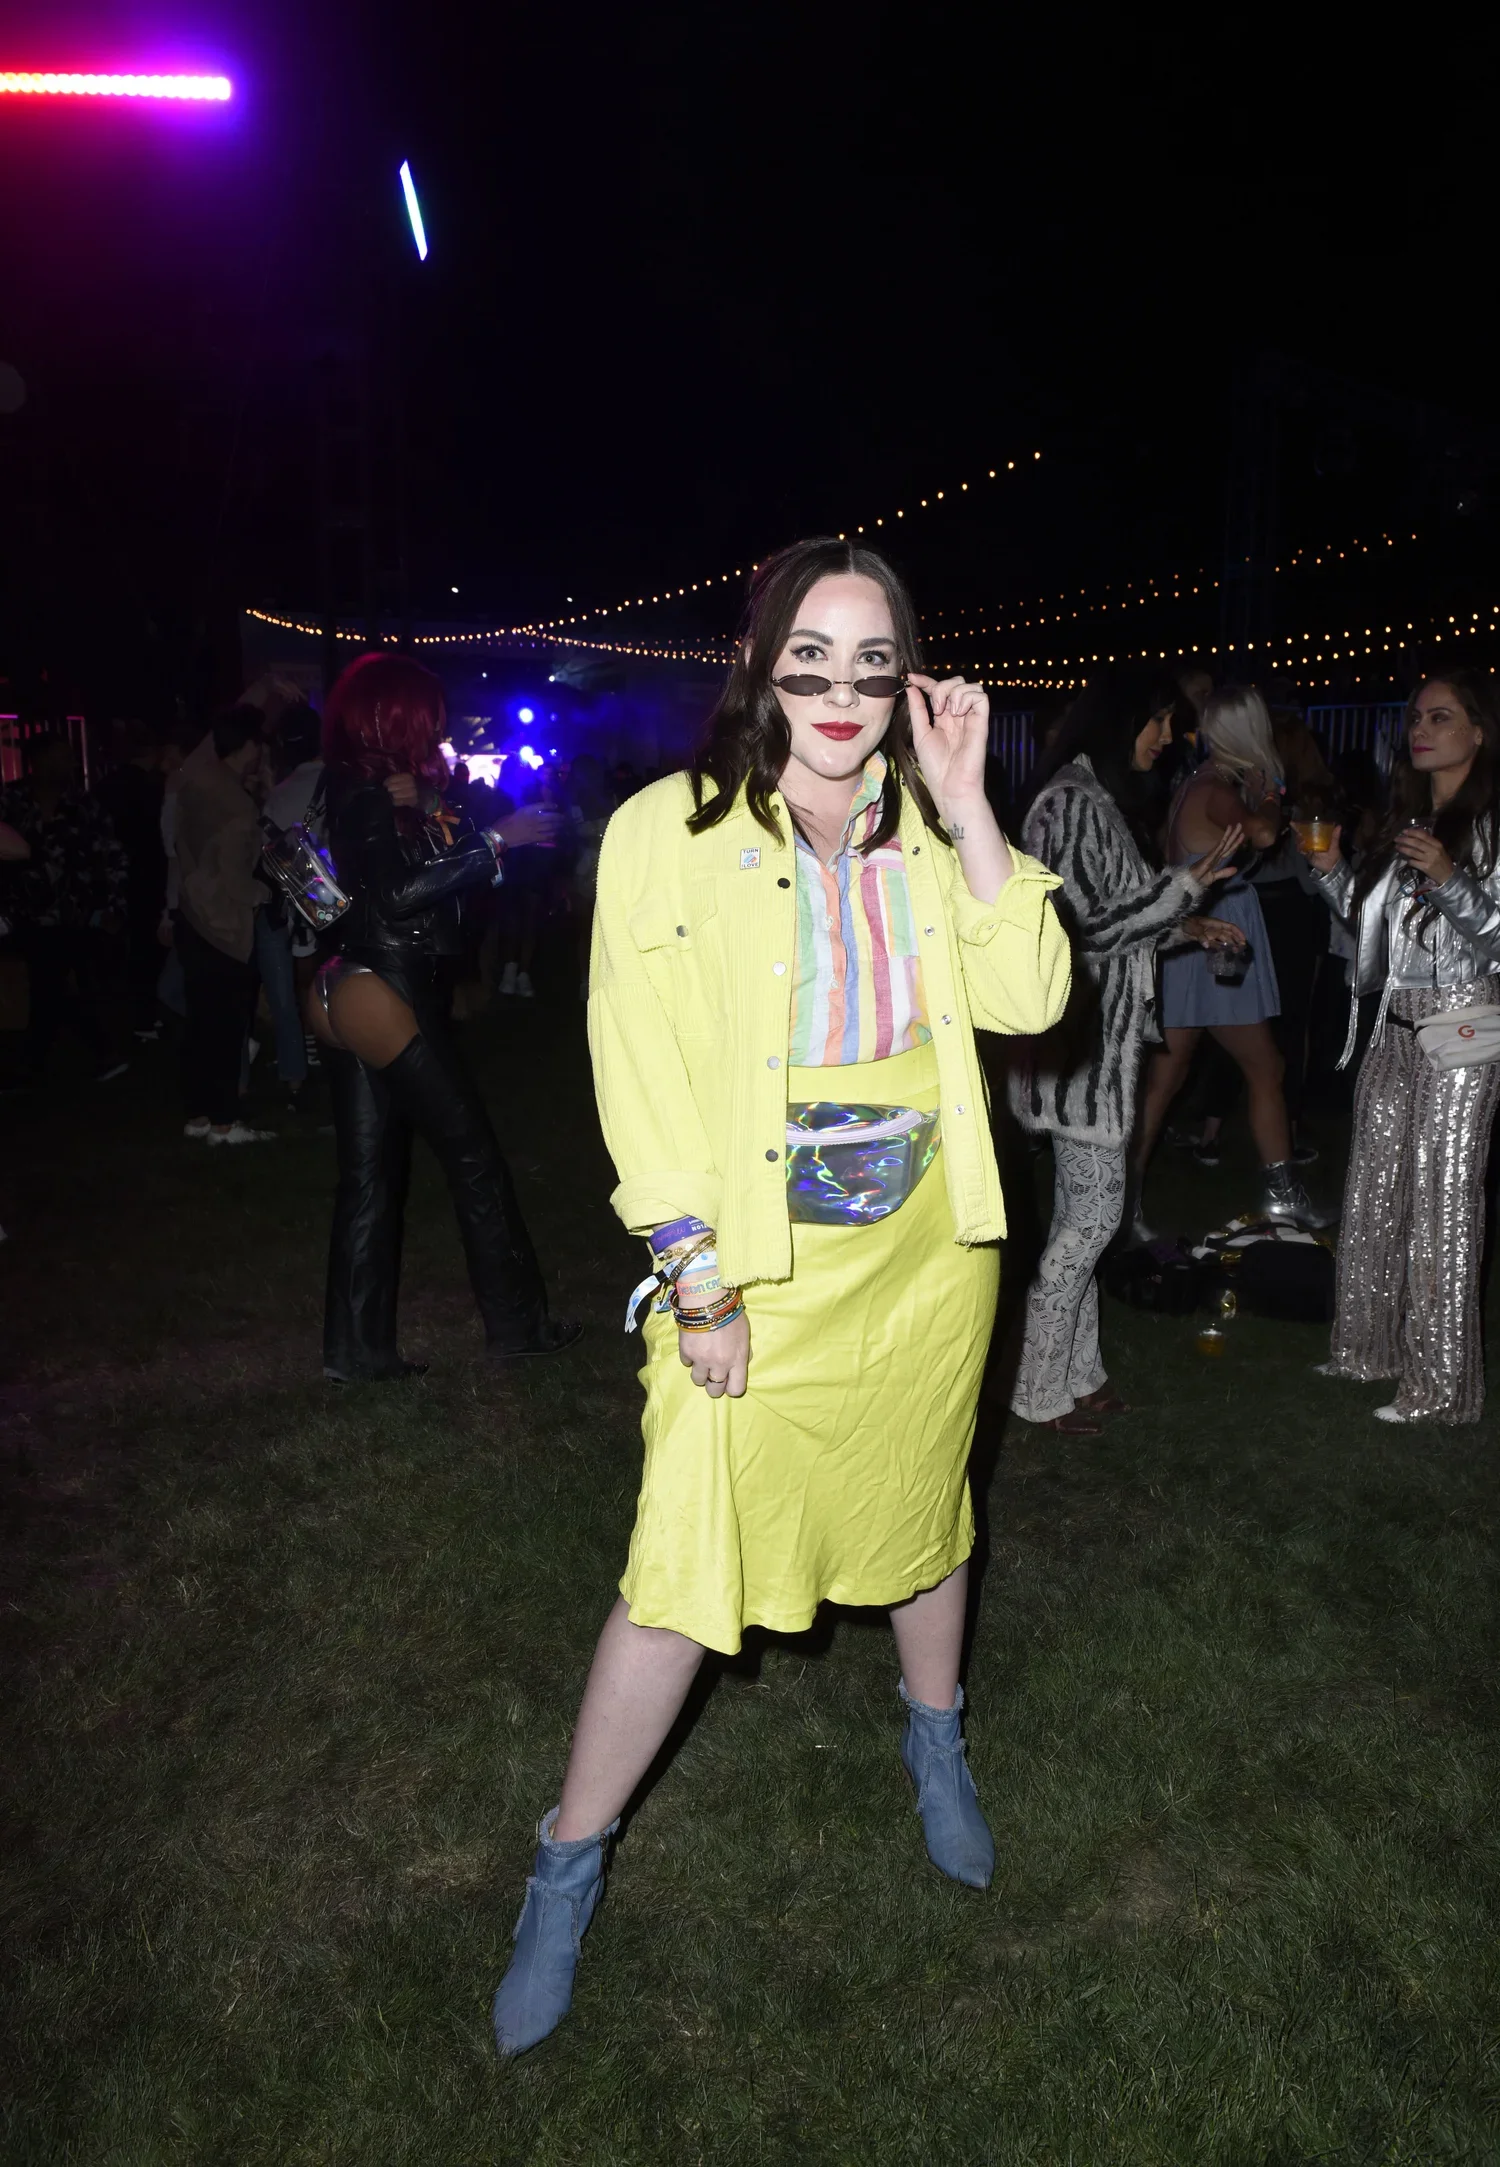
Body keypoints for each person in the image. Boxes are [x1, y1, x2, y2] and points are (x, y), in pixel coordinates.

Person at [490, 537, 1072, 2058]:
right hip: (754, 1256)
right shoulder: (665, 837)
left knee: (922, 1500)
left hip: (926, 1261)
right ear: (757, 665)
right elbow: (643, 1069)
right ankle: (567, 1859)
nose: (839, 689)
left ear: (908, 682)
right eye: (808, 656)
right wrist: (698, 1277)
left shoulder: (934, 838)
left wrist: (968, 803)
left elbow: (1030, 1000)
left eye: (871, 662)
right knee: (682, 1560)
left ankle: (936, 1740)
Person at [312, 652, 581, 1382]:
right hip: (388, 984)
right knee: (473, 1158)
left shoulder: (354, 784)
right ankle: (518, 1326)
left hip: (346, 984)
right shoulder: (368, 790)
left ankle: (355, 1351)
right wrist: (497, 841)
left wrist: (431, 808)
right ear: (393, 716)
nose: (435, 728)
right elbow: (400, 893)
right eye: (425, 718)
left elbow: (386, 876)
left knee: (368, 1177)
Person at [1008, 672, 1245, 1432]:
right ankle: (1039, 1386)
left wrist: (1186, 925)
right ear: (1120, 720)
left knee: (1091, 1218)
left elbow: (1119, 915)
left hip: (1097, 1053)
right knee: (1090, 1224)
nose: (1169, 739)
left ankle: (1080, 1372)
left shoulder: (1094, 800)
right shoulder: (1072, 803)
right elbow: (1075, 929)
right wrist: (1179, 894)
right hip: (1080, 1054)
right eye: (1159, 723)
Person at [1301, 670, 1500, 1424]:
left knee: (1445, 1200)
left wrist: (1450, 878)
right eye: (1417, 716)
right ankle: (1365, 1349)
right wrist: (1331, 877)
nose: (1422, 728)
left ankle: (1441, 1388)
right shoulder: (1407, 821)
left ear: (1479, 732)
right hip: (1394, 1021)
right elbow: (1376, 942)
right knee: (1375, 1188)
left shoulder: (1488, 826)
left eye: (1441, 717)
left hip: (1465, 1018)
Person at [1133, 686, 1326, 1229]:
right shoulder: (1217, 785)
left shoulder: (1198, 782)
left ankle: (1120, 1204)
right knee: (1264, 1067)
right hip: (1213, 935)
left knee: (1168, 1077)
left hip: (1196, 932)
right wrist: (1273, 792)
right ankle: (1283, 1198)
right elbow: (1263, 834)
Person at [0, 734, 128, 1086]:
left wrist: (113, 905)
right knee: (51, 982)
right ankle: (98, 1052)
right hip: (24, 913)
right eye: (60, 758)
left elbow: (110, 855)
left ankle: (38, 1060)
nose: (69, 766)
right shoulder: (10, 801)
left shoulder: (84, 805)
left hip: (75, 913)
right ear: (38, 762)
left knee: (53, 981)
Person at [174, 705, 274, 1146]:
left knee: (200, 1023)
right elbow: (236, 879)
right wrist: (266, 894)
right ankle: (223, 1122)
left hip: (191, 914)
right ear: (251, 746)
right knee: (226, 1025)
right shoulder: (236, 805)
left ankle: (198, 1114)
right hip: (223, 925)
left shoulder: (196, 783)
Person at [97, 720, 170, 1042]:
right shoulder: (152, 788)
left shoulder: (108, 785)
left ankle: (126, 1011)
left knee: (119, 944)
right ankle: (144, 1014)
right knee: (146, 946)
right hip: (148, 875)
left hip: (114, 872)